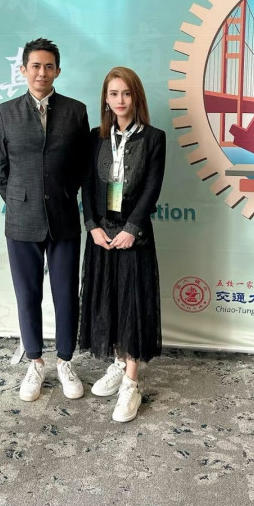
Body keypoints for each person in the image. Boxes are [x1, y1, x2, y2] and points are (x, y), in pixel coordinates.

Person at [0, 38, 90, 402]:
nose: (41, 73)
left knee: (66, 294)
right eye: (35, 66)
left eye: (48, 67)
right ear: (23, 70)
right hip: (21, 221)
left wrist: (63, 193)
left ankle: (65, 361)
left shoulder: (76, 112)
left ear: (57, 71)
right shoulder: (5, 113)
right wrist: (19, 200)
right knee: (27, 294)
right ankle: (34, 362)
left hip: (64, 218)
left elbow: (82, 165)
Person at [79, 67, 166, 422]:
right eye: (113, 93)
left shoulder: (154, 138)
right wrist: (92, 227)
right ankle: (117, 362)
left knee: (133, 303)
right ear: (106, 98)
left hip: (134, 235)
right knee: (108, 300)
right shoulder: (95, 137)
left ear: (136, 97)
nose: (120, 100)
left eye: (126, 93)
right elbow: (87, 185)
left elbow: (152, 188)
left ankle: (131, 383)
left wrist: (132, 228)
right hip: (102, 235)